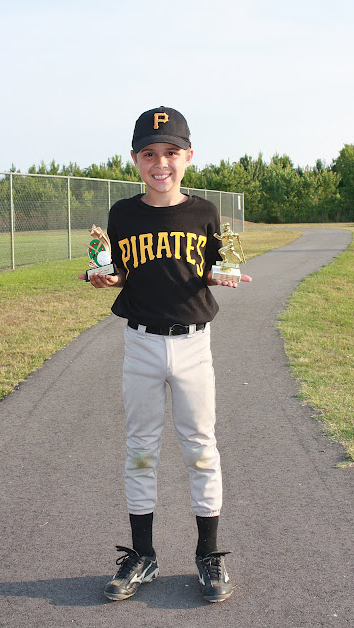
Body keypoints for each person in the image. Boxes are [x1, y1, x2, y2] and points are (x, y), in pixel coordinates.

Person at [79, 106, 252, 603]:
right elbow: (122, 272)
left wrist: (224, 275)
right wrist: (105, 278)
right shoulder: (123, 215)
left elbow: (214, 266)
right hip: (141, 344)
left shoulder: (203, 213)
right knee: (140, 449)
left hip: (194, 344)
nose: (161, 163)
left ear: (188, 156)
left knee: (201, 448)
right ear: (135, 159)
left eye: (171, 153)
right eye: (150, 154)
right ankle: (143, 554)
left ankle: (208, 555)